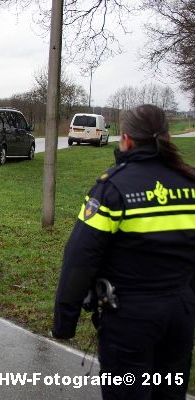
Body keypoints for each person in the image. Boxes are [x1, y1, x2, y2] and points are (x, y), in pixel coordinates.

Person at [52, 104, 195, 399]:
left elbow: (81, 258)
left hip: (131, 318)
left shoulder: (113, 189)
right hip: (180, 314)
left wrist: (64, 322)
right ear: (167, 137)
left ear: (126, 139)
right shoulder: (190, 184)